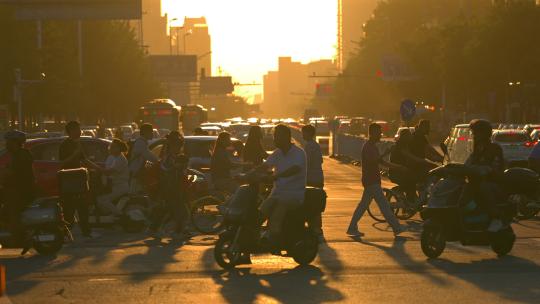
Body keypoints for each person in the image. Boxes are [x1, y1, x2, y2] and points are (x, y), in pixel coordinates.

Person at [347, 123, 406, 237]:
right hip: (371, 181)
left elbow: (381, 162)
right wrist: (386, 153)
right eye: (379, 132)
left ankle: (352, 227)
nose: (380, 135)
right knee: (383, 205)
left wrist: (397, 167)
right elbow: (375, 161)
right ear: (372, 133)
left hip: (372, 180)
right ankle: (396, 227)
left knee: (364, 205)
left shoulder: (372, 146)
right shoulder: (368, 147)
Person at [251, 124, 307, 244]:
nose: (274, 139)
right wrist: (249, 174)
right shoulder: (277, 153)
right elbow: (265, 165)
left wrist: (277, 176)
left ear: (286, 137)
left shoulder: (299, 153)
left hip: (293, 195)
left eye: (277, 136)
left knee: (278, 212)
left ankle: (273, 238)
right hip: (277, 193)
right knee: (259, 214)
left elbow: (295, 169)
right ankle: (254, 238)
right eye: (274, 136)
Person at [59, 121, 99, 238]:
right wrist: (74, 155)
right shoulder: (65, 145)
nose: (80, 131)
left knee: (83, 206)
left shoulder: (78, 144)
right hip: (69, 180)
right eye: (77, 129)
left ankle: (86, 232)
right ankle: (65, 233)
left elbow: (84, 159)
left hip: (79, 180)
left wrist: (99, 168)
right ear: (71, 131)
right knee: (69, 208)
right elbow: (62, 163)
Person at [465, 119, 505, 232]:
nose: (474, 135)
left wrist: (488, 169)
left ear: (484, 133)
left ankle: (495, 218)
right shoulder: (477, 149)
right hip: (476, 182)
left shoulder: (494, 149)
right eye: (473, 132)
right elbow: (468, 163)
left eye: (476, 132)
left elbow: (496, 168)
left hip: (493, 183)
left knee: (484, 187)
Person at [1, 130, 34, 243]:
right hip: (19, 189)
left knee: (12, 209)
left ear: (15, 143)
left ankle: (17, 236)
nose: (7, 145)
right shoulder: (19, 154)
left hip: (21, 191)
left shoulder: (21, 155)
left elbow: (11, 172)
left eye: (8, 142)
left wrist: (4, 172)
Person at [157, 131, 190, 238]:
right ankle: (175, 231)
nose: (179, 148)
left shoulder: (175, 156)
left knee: (178, 210)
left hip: (176, 186)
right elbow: (165, 169)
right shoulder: (168, 158)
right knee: (178, 210)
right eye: (177, 146)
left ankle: (179, 230)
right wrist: (176, 167)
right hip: (171, 187)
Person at [301, 124, 325, 242]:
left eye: (304, 132)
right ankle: (317, 227)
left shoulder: (309, 146)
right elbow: (320, 160)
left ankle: (314, 227)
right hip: (318, 176)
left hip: (311, 178)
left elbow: (306, 162)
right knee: (317, 204)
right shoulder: (316, 145)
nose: (302, 134)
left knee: (312, 204)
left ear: (309, 133)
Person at [96, 139, 130, 217]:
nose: (110, 148)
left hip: (120, 186)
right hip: (112, 185)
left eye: (113, 147)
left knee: (102, 200)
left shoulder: (121, 159)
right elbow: (104, 166)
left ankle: (121, 215)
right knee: (98, 199)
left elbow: (108, 172)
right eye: (111, 146)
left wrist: (93, 166)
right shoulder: (111, 157)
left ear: (119, 149)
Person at [128, 123, 159, 194]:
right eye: (151, 132)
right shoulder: (140, 143)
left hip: (137, 173)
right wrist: (159, 161)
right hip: (135, 173)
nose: (152, 134)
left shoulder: (142, 142)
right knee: (133, 194)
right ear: (145, 132)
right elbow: (150, 156)